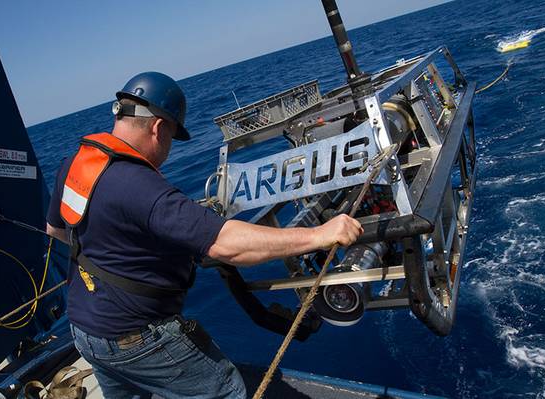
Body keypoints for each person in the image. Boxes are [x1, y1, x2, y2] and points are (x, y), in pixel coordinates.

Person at [46, 71, 363, 399]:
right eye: (171, 138)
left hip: (86, 331)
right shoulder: (141, 187)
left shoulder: (75, 165)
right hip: (135, 339)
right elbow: (228, 245)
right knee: (226, 391)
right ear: (159, 128)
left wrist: (128, 248)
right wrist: (319, 234)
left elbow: (56, 230)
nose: (168, 151)